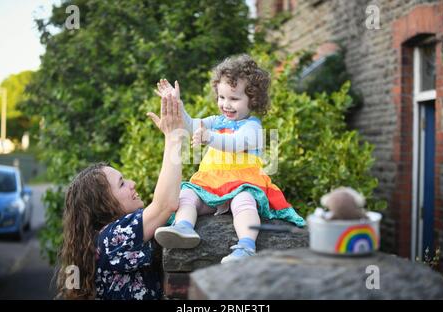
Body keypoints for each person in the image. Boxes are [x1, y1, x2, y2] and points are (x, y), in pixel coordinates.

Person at [154, 54, 305, 263]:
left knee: (244, 202)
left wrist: (209, 137)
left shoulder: (253, 127)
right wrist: (176, 103)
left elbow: (235, 143)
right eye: (221, 97)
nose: (226, 104)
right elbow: (190, 125)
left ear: (253, 100)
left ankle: (246, 245)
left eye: (234, 99)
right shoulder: (217, 120)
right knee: (188, 194)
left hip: (243, 183)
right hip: (212, 183)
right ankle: (184, 228)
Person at [55, 95, 184, 299]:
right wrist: (174, 136)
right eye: (122, 183)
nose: (132, 183)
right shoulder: (112, 239)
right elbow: (165, 204)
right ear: (103, 204)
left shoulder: (103, 240)